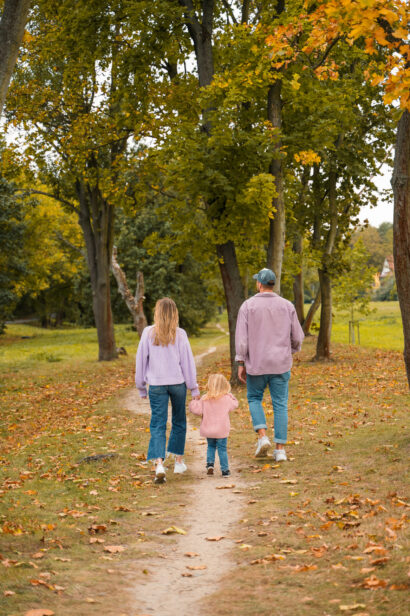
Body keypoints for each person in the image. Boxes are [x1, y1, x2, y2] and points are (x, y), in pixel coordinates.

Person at [235, 268, 304, 461]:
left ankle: (263, 436)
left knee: (254, 398)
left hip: (257, 363)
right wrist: (291, 351)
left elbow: (241, 339)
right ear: (273, 284)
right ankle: (280, 449)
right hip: (280, 364)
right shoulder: (287, 306)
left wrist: (241, 361)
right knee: (280, 404)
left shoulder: (248, 306)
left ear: (259, 284)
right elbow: (297, 336)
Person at [135, 297, 199, 483]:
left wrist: (141, 387)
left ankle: (159, 463)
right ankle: (178, 461)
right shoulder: (180, 334)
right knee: (179, 421)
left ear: (157, 313)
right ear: (174, 314)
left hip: (156, 385)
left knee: (158, 423)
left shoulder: (148, 333)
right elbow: (188, 363)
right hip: (177, 383)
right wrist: (193, 387)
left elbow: (141, 361)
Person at [189, 374, 238, 477]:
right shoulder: (227, 399)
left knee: (211, 446)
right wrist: (230, 395)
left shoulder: (205, 398)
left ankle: (210, 465)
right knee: (222, 449)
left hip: (209, 429)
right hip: (222, 430)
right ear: (225, 385)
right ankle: (225, 470)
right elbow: (235, 404)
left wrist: (195, 400)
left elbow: (196, 410)